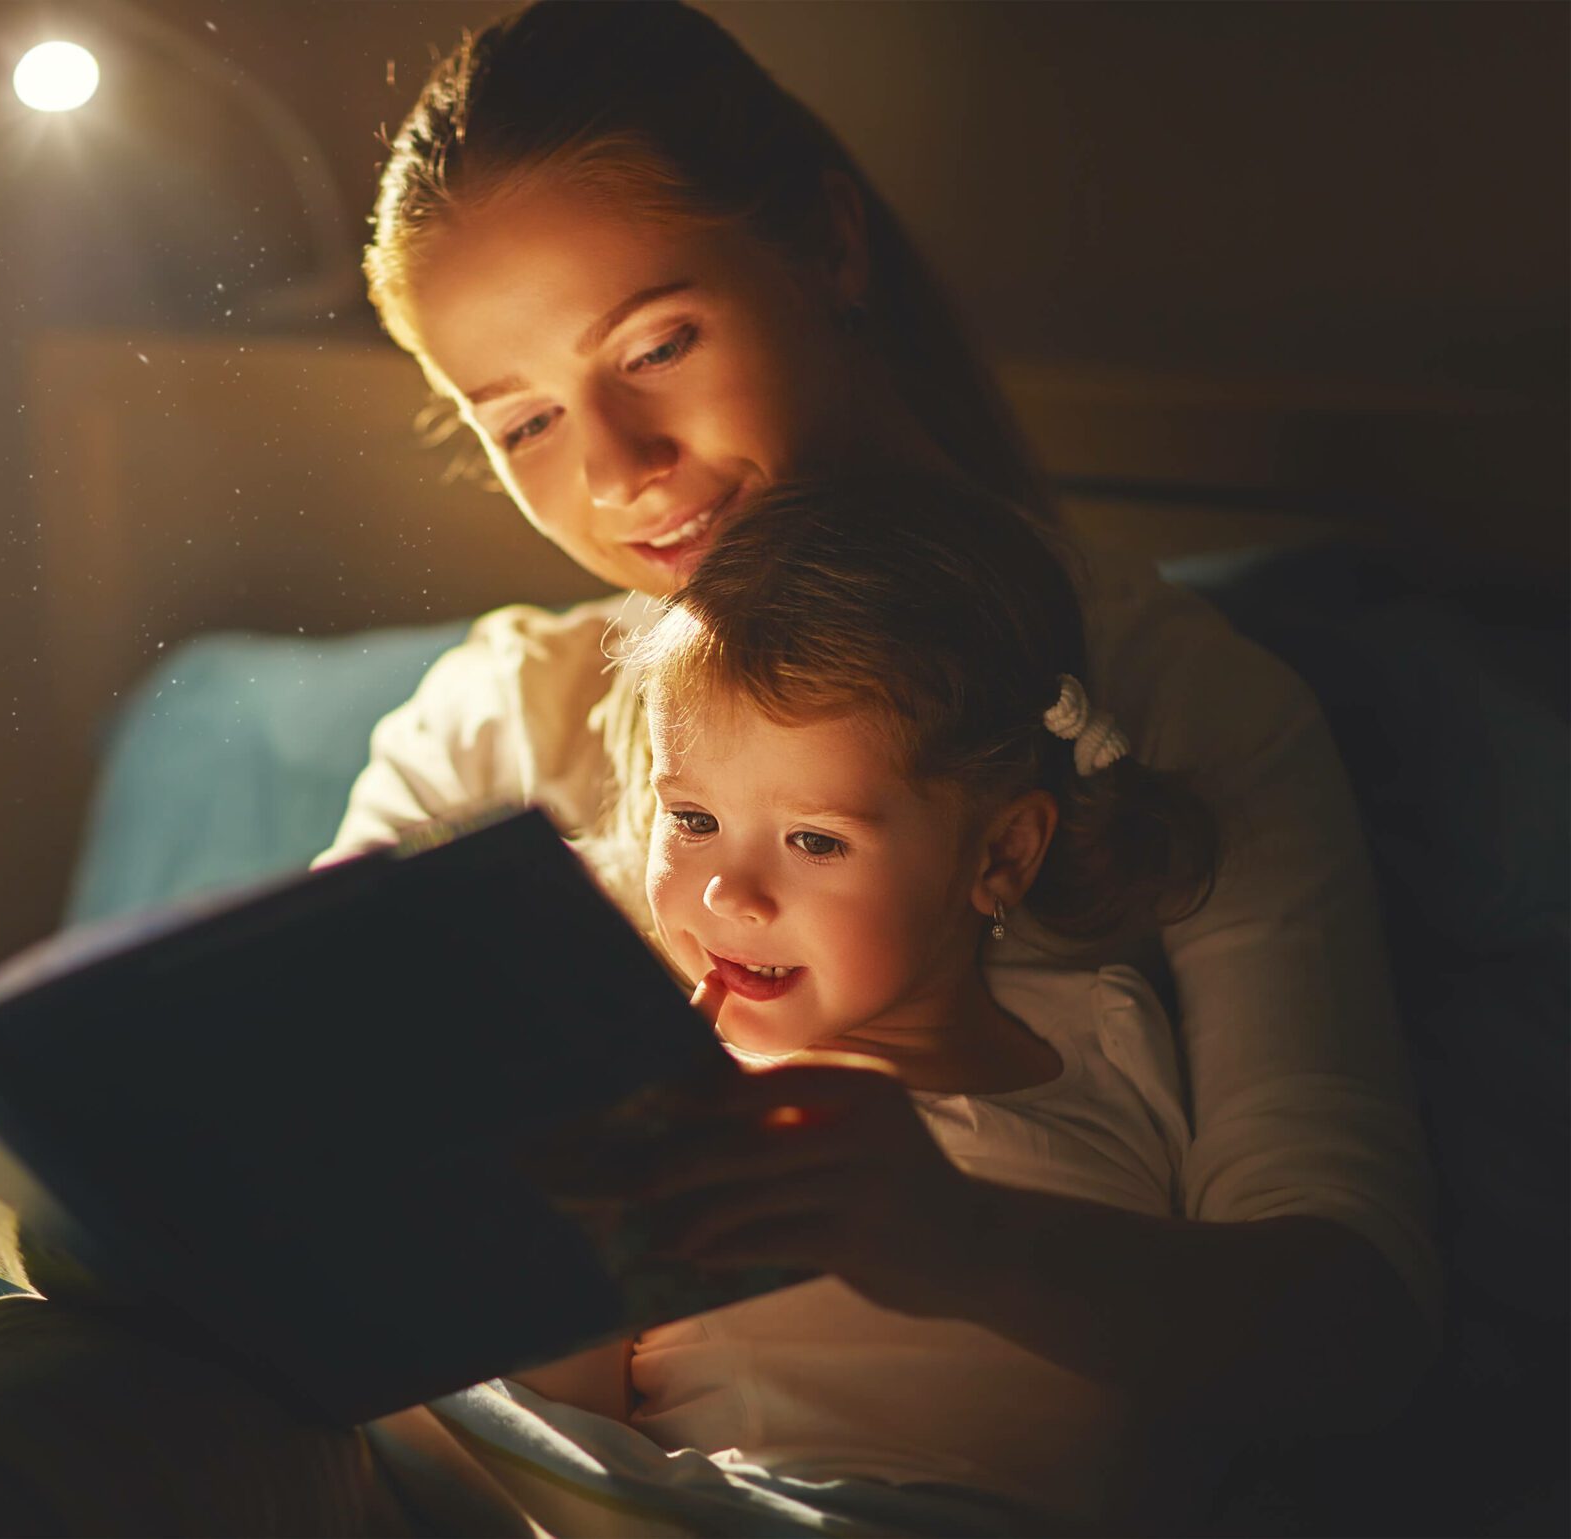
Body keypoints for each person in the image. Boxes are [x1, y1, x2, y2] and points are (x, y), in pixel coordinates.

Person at [0, 2, 1437, 1532]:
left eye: (657, 344)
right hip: (425, 1463)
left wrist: (958, 1238)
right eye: (523, 423)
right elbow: (312, 1126)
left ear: (825, 243)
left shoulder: (1179, 713)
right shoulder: (494, 717)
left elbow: (1356, 1343)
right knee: (13, 1372)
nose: (615, 473)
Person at [370, 473, 1219, 1534]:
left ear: (1001, 851)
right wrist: (583, 1204)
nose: (730, 894)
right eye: (689, 820)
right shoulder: (667, 1092)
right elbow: (561, 1446)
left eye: (815, 841)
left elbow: (1198, 1390)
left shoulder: (1111, 1037)